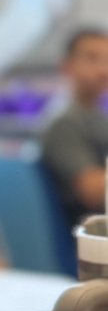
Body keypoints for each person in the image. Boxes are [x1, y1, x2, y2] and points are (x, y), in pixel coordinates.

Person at [42, 28, 108, 227]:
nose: (102, 69)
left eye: (106, 59)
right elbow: (92, 191)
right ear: (66, 66)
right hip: (90, 237)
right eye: (91, 58)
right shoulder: (64, 123)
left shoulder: (99, 117)